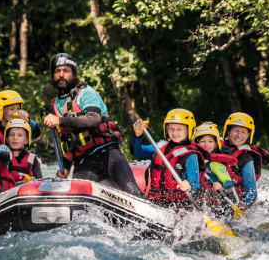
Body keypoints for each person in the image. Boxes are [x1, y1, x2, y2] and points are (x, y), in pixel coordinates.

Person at [42, 53, 143, 197]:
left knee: (133, 192)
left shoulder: (86, 93)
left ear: (73, 73)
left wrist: (60, 121)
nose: (61, 75)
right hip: (84, 162)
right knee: (77, 203)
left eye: (66, 71)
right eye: (57, 71)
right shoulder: (53, 107)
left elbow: (93, 119)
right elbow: (69, 141)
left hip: (108, 154)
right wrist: (65, 166)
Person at [131, 109, 210, 209]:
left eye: (179, 129)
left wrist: (189, 187)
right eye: (171, 128)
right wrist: (138, 136)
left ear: (188, 130)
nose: (174, 132)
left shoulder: (191, 155)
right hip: (157, 201)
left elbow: (195, 185)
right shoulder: (160, 146)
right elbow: (137, 151)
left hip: (179, 206)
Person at [221, 112, 269, 210]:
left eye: (243, 132)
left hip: (233, 200)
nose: (239, 135)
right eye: (235, 130)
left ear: (249, 135)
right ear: (228, 132)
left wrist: (244, 205)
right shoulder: (215, 146)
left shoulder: (247, 157)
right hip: (215, 194)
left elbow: (252, 192)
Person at [193, 122, 239, 214]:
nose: (206, 145)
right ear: (196, 144)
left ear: (215, 144)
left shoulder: (215, 164)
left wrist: (222, 187)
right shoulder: (193, 160)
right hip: (200, 198)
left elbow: (229, 183)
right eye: (202, 141)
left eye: (210, 141)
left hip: (218, 201)